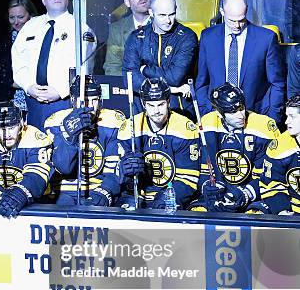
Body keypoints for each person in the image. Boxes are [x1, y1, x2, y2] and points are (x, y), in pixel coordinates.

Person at [12, 0, 94, 131]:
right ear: (43, 0)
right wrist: (29, 87)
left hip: (64, 101)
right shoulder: (30, 26)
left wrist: (60, 91)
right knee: (35, 147)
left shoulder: (80, 28)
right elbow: (18, 61)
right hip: (33, 101)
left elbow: (85, 67)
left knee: (62, 149)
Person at [195, 0, 286, 124]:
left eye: (241, 20)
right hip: (216, 118)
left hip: (255, 117)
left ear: (247, 10)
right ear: (222, 12)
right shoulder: (208, 37)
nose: (237, 26)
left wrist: (272, 120)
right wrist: (206, 112)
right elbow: (202, 82)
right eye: (232, 20)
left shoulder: (266, 39)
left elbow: (277, 83)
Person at [189, 83, 280, 213]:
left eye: (241, 108)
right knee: (197, 210)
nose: (240, 115)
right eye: (233, 111)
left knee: (256, 214)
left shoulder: (263, 127)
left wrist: (245, 194)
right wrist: (207, 187)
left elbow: (267, 176)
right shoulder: (207, 124)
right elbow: (204, 170)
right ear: (219, 113)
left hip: (252, 194)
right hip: (221, 192)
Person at [117, 78, 199, 209]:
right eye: (151, 105)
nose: (156, 111)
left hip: (170, 194)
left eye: (160, 105)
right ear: (144, 104)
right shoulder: (129, 127)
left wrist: (165, 199)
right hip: (137, 195)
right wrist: (126, 173)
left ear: (168, 102)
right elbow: (119, 178)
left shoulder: (185, 128)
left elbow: (187, 180)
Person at [44, 74, 123, 206]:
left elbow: (114, 171)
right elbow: (64, 168)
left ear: (101, 100)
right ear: (73, 100)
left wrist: (104, 191)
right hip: (65, 191)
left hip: (97, 189)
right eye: (84, 101)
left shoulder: (113, 121)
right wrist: (69, 137)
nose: (90, 106)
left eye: (94, 100)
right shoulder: (55, 122)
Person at [0, 101, 53, 218]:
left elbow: (37, 176)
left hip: (35, 199)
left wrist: (18, 194)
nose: (7, 134)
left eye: (12, 127)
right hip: (0, 201)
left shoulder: (35, 138)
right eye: (1, 128)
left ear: (21, 124)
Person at [122, 0, 197, 117]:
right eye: (162, 15)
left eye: (172, 14)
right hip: (142, 109)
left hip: (177, 109)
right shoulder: (136, 37)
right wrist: (173, 89)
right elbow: (130, 77)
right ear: (151, 12)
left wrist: (145, 69)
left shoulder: (187, 37)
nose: (168, 20)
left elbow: (175, 77)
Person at [247, 95, 300, 215]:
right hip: (292, 210)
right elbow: (271, 183)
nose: (286, 122)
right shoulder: (280, 145)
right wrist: (282, 210)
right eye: (287, 116)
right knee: (255, 212)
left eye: (292, 117)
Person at [0, 0, 38, 111]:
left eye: (20, 17)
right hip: (12, 100)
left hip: (37, 98)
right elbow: (1, 75)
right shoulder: (5, 41)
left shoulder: (41, 36)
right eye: (12, 17)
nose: (16, 22)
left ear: (31, 16)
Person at [104, 0, 152, 76]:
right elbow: (112, 68)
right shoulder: (117, 29)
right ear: (127, 2)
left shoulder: (164, 24)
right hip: (128, 86)